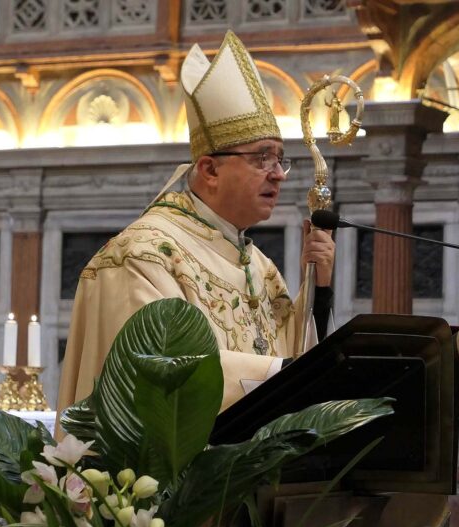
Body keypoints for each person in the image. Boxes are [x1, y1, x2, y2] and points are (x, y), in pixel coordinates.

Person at [57, 31, 335, 413]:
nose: (278, 174)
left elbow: (295, 361)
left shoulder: (260, 267)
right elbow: (159, 366)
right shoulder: (143, 255)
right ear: (210, 169)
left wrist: (317, 287)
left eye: (280, 159)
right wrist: (279, 373)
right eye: (262, 158)